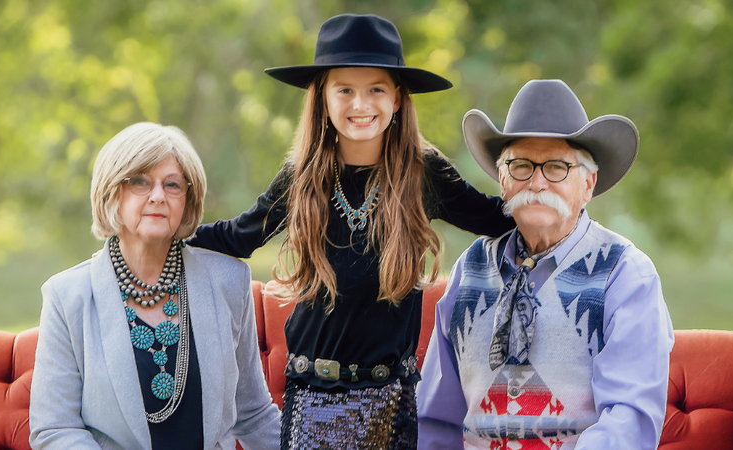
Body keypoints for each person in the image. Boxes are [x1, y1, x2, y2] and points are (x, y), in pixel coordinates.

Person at [187, 14, 514, 450]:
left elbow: (497, 220)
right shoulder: (302, 175)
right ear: (322, 99)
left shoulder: (421, 172)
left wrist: (547, 185)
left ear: (397, 99)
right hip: (311, 398)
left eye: (376, 89)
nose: (361, 104)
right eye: (344, 90)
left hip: (391, 398)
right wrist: (158, 238)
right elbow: (237, 236)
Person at [416, 80, 675, 450]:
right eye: (521, 165)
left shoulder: (624, 273)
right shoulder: (470, 269)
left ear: (588, 183)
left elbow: (628, 422)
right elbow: (435, 419)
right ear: (502, 181)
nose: (537, 182)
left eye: (557, 167)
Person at [31, 122, 281, 450]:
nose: (159, 196)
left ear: (187, 199)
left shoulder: (227, 281)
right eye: (140, 182)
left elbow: (254, 414)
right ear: (111, 192)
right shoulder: (68, 296)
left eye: (173, 184)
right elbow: (54, 428)